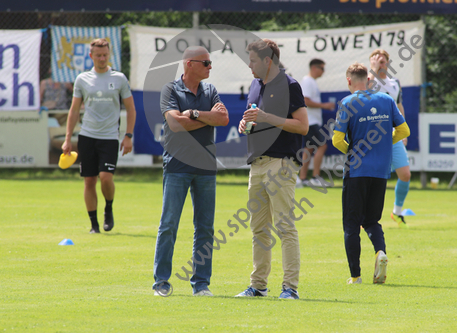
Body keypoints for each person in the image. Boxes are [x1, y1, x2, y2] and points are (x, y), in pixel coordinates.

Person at [152, 46, 229, 297]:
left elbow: (224, 119)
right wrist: (207, 117)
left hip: (206, 167)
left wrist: (194, 114)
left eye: (210, 63)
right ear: (189, 64)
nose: (210, 67)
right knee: (169, 225)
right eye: (206, 63)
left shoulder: (211, 90)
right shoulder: (170, 89)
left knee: (205, 227)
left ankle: (201, 284)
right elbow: (174, 123)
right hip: (177, 165)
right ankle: (161, 283)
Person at [236, 39, 308, 299]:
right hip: (257, 163)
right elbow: (250, 117)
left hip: (281, 163)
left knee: (285, 227)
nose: (250, 65)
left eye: (253, 60)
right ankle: (258, 286)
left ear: (268, 61)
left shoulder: (290, 86)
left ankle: (290, 289)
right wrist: (244, 125)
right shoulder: (255, 85)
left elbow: (302, 126)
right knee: (258, 228)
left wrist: (267, 118)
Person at [332, 62, 410, 284]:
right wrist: (384, 144)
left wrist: (354, 151)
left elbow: (337, 139)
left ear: (349, 81)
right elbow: (404, 130)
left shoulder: (347, 103)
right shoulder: (386, 100)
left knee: (351, 224)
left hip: (357, 171)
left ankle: (355, 276)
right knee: (372, 220)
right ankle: (380, 252)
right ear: (368, 79)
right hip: (381, 171)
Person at [62, 38, 136, 234]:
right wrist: (68, 138)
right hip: (87, 136)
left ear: (109, 55)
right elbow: (74, 110)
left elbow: (130, 108)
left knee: (105, 177)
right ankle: (94, 225)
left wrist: (128, 135)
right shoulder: (82, 79)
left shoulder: (119, 78)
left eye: (105, 55)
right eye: (98, 55)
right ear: (91, 56)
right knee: (89, 181)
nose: (102, 58)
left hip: (110, 137)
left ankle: (108, 208)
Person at [368, 49, 411, 228]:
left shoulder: (394, 83)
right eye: (377, 59)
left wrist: (402, 130)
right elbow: (364, 96)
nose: (381, 61)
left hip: (392, 136)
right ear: (371, 62)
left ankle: (397, 211)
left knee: (405, 174)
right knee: (371, 176)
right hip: (371, 137)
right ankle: (366, 215)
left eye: (384, 59)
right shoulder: (367, 80)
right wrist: (373, 70)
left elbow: (399, 106)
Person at [297, 59, 335, 187]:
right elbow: (305, 100)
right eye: (321, 68)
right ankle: (315, 177)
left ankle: (302, 178)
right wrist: (324, 106)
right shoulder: (308, 81)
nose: (323, 71)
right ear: (314, 67)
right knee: (322, 146)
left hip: (311, 121)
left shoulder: (311, 82)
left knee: (309, 148)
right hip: (310, 121)